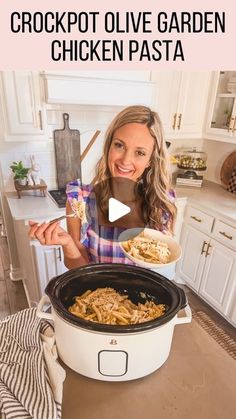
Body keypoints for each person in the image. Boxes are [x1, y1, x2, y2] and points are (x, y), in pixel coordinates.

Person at [29, 105, 177, 269]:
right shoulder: (79, 200)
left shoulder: (160, 203)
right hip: (96, 291)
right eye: (119, 145)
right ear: (108, 147)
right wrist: (67, 243)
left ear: (150, 160)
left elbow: (159, 261)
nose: (126, 161)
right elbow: (79, 268)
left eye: (140, 152)